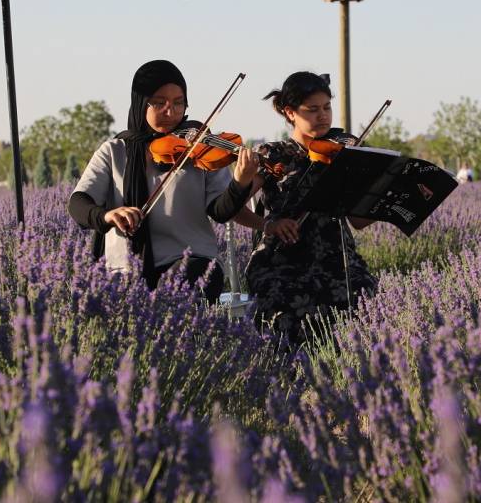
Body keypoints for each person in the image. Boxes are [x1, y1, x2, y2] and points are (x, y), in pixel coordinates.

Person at [67, 59, 259, 301]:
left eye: (179, 103)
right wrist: (107, 215)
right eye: (159, 103)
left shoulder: (200, 149)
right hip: (126, 269)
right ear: (140, 103)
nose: (171, 112)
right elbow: (78, 203)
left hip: (192, 260)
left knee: (190, 279)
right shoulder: (114, 152)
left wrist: (240, 182)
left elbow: (221, 211)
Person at [239, 72, 378, 344]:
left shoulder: (342, 153)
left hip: (335, 255)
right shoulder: (272, 155)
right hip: (280, 259)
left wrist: (379, 198)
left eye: (327, 107)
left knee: (366, 299)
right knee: (288, 307)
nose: (323, 116)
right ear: (290, 112)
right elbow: (233, 209)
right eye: (313, 109)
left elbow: (358, 221)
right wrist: (268, 225)